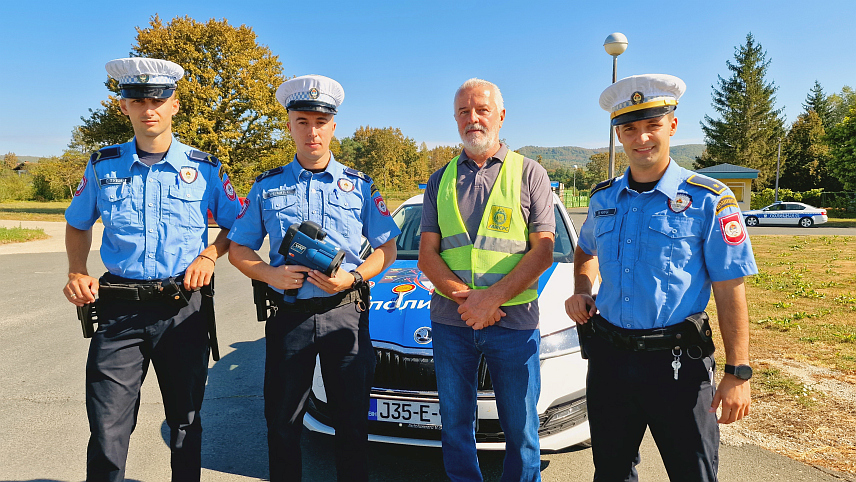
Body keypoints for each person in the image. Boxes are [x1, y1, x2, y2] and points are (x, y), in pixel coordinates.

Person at [564, 74, 757, 481]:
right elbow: (585, 249)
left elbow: (730, 288)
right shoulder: (603, 197)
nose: (642, 138)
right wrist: (581, 288)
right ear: (619, 134)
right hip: (610, 361)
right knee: (611, 472)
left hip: (678, 366)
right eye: (630, 129)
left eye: (653, 125)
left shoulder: (709, 199)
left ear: (672, 125)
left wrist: (738, 371)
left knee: (693, 473)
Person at [63, 57, 240, 481]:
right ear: (123, 106)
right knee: (107, 425)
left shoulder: (205, 168)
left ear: (174, 105)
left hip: (183, 307)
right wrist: (76, 270)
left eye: (158, 100)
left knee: (185, 421)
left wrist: (209, 255)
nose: (148, 109)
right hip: (119, 309)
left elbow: (239, 225)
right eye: (138, 100)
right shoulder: (103, 165)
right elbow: (77, 222)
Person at [227, 74, 400, 482]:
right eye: (302, 122)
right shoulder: (267, 186)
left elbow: (387, 248)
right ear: (289, 126)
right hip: (290, 317)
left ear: (333, 127)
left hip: (345, 315)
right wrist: (270, 274)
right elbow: (238, 249)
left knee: (352, 425)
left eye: (320, 123)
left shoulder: (359, 185)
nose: (312, 132)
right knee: (283, 423)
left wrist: (353, 278)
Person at [418, 78, 555, 482]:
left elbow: (543, 251)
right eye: (464, 111)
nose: (472, 118)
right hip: (452, 322)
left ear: (501, 115)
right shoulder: (439, 180)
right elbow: (427, 256)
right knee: (455, 426)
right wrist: (471, 301)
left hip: (514, 323)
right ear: (455, 118)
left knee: (522, 431)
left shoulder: (530, 173)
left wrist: (491, 299)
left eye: (481, 110)